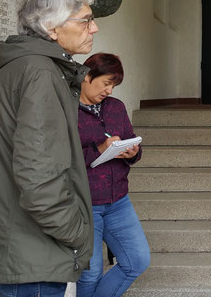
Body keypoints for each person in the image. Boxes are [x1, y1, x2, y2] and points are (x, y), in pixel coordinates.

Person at [0, 0, 98, 296]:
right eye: (86, 20)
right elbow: (38, 176)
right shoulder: (40, 73)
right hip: (31, 251)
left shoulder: (24, 65)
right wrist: (77, 232)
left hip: (20, 247)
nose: (94, 29)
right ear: (52, 28)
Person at [76, 53, 150, 296]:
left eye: (113, 85)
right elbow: (59, 157)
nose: (109, 90)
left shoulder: (116, 107)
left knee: (137, 261)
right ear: (87, 76)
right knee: (90, 273)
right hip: (84, 203)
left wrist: (131, 152)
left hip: (119, 200)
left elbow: (132, 146)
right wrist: (98, 149)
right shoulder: (66, 109)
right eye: (106, 83)